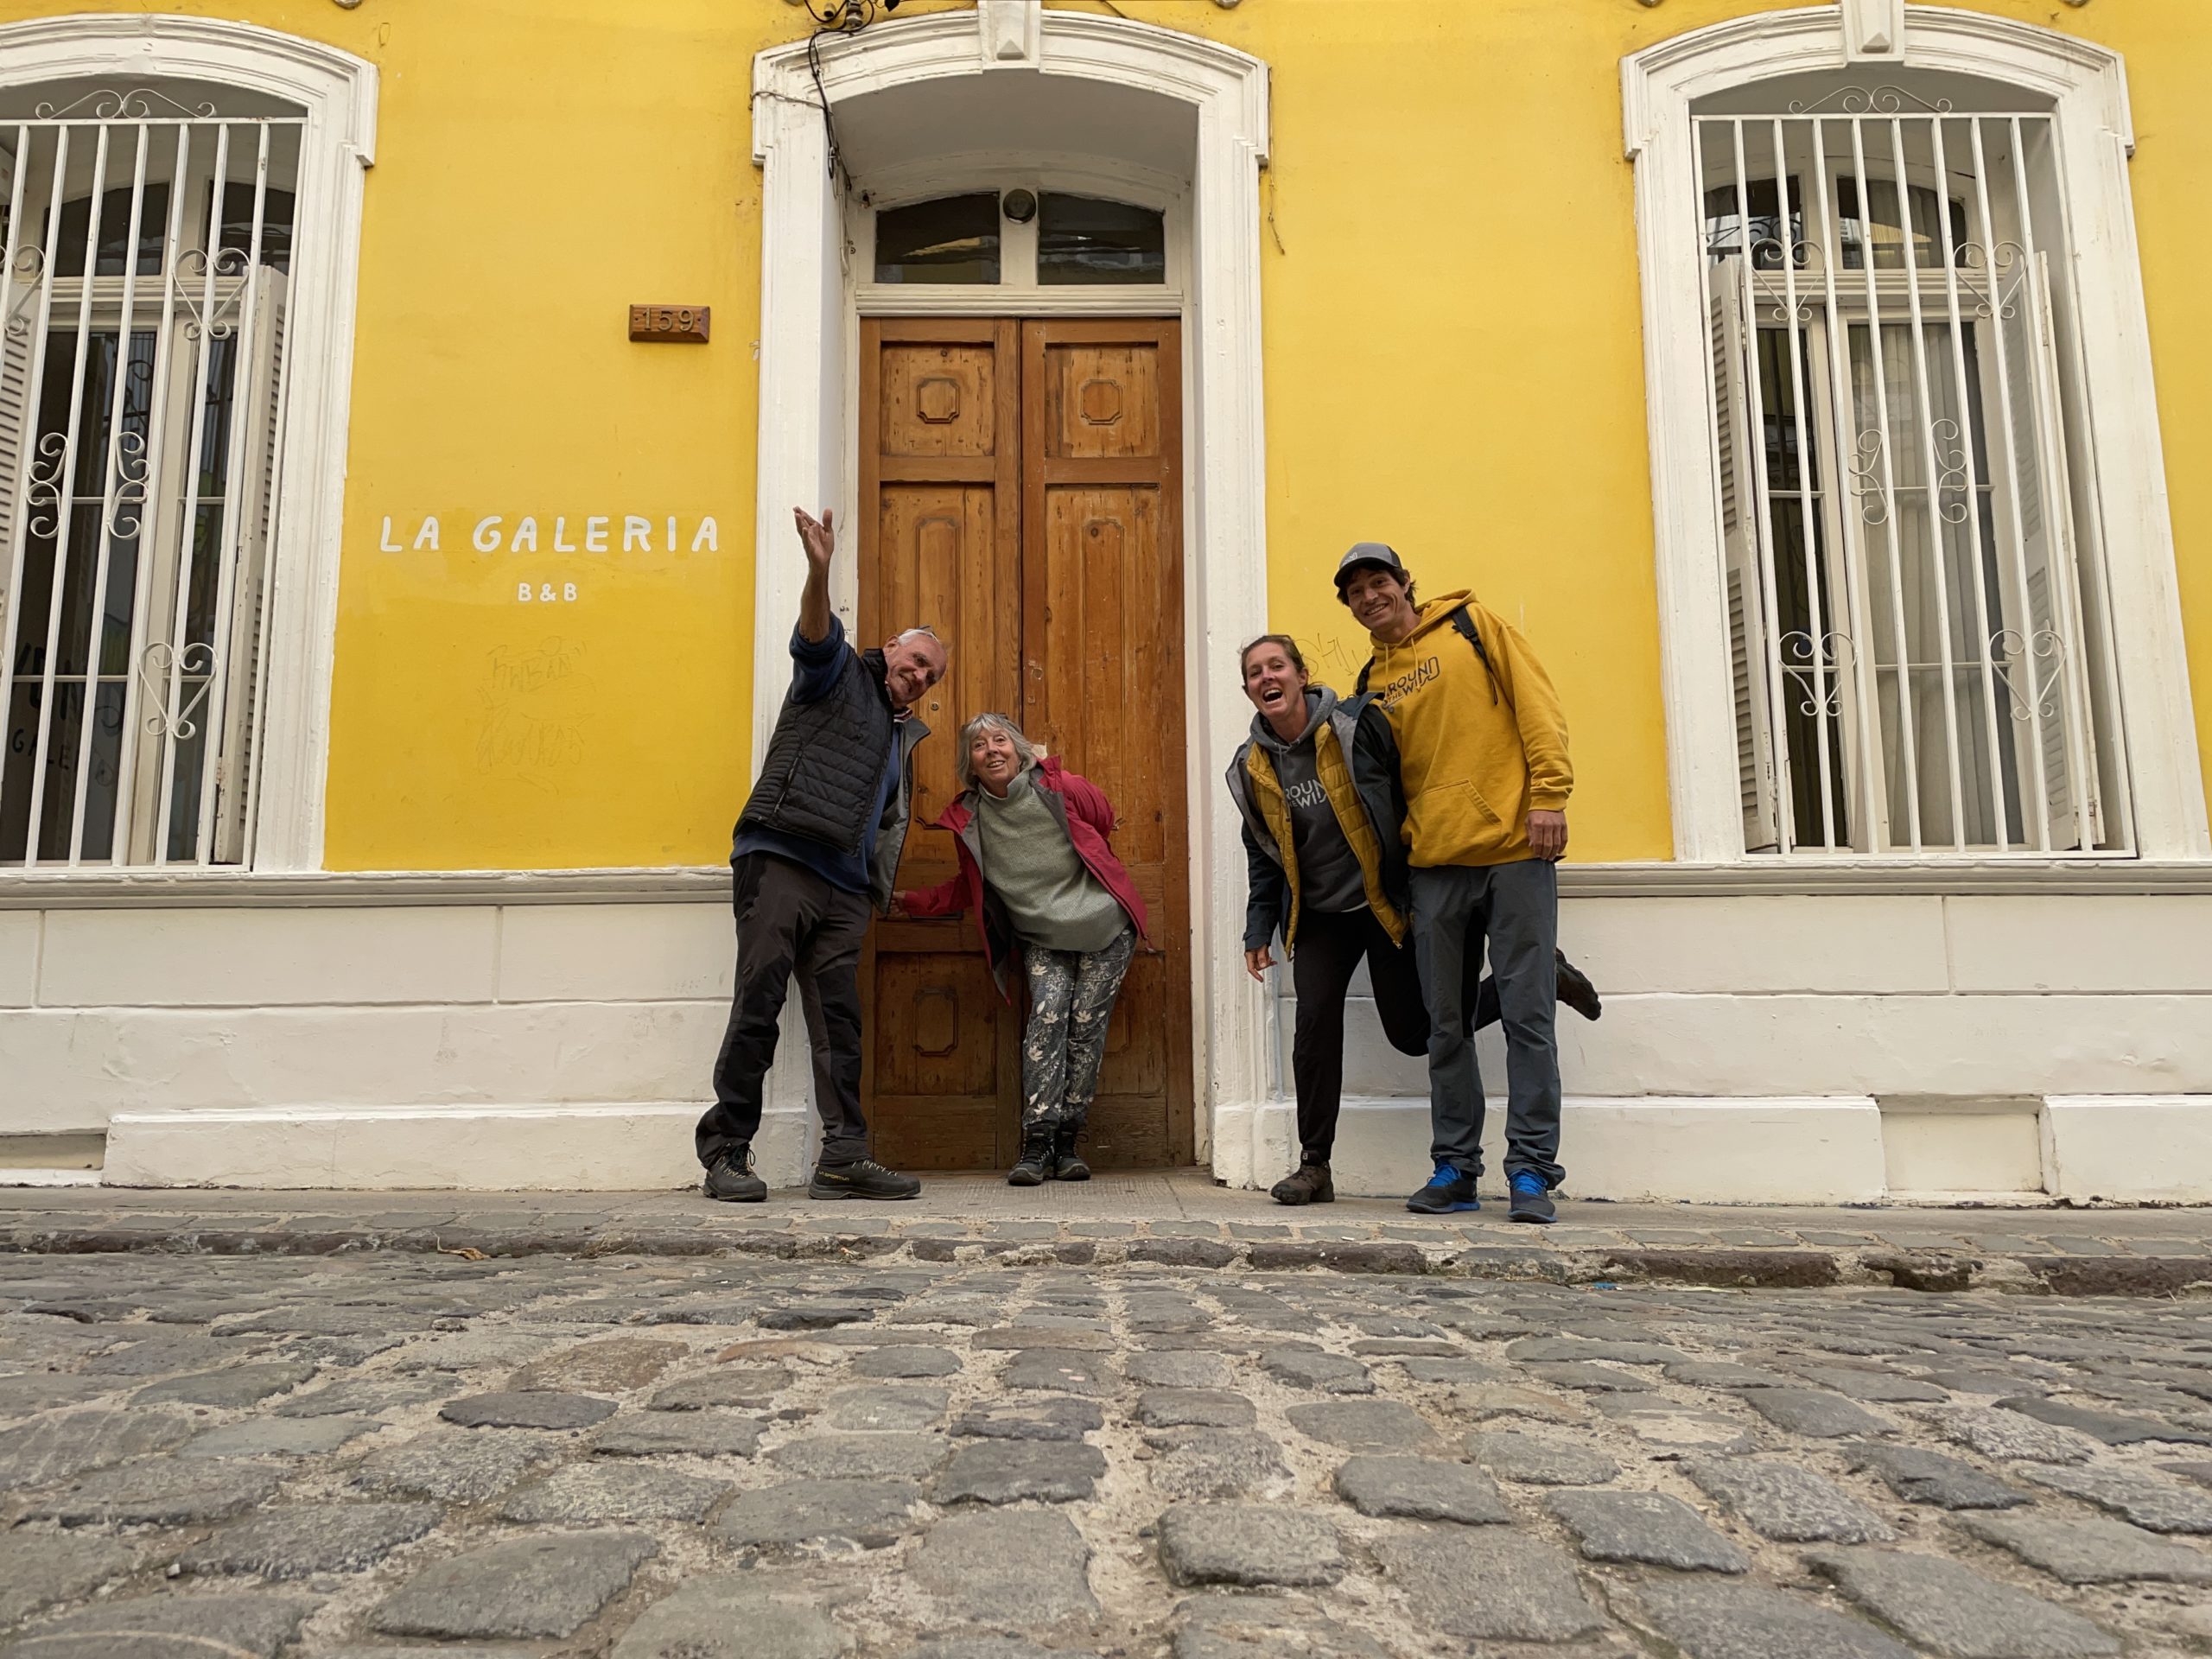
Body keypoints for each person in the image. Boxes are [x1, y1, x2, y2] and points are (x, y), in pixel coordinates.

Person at [1229, 634, 1599, 1206]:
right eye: (1255, 672)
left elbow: (1403, 794)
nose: (1266, 677)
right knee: (1314, 1030)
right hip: (1322, 915)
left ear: (1301, 675)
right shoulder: (1251, 767)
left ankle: (1541, 978)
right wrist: (1258, 927)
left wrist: (1423, 886)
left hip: (1382, 902)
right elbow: (1264, 851)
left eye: (1277, 666)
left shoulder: (1355, 729)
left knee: (1414, 1034)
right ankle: (1314, 1166)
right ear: (1249, 690)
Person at [695, 505, 948, 1204]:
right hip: (782, 857)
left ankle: (843, 1156)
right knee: (759, 1003)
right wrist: (819, 571)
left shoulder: (900, 733)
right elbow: (814, 634)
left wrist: (869, 887)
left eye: (931, 676)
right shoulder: (837, 673)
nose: (920, 676)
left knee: (840, 1024)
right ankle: (726, 1153)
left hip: (844, 888)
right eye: (916, 661)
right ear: (890, 647)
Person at [1338, 542, 1575, 1224]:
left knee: (1528, 1019)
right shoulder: (1371, 682)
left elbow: (1537, 705)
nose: (1370, 596)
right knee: (1446, 1028)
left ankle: (1531, 1171)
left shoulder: (1474, 627)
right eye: (1356, 591)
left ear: (1405, 583)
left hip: (1514, 851)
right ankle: (1455, 1168)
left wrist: (1550, 796)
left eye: (1379, 581)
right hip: (1434, 868)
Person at [897, 714, 1147, 1186]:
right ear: (969, 762)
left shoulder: (1059, 787)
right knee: (1046, 1023)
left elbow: (1102, 818)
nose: (992, 750)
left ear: (1019, 749)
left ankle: (1068, 1144)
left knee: (1085, 1032)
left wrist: (1060, 782)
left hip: (1105, 928)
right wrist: (914, 901)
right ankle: (1037, 1143)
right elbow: (969, 885)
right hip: (1042, 937)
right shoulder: (969, 819)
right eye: (979, 745)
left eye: (1000, 740)